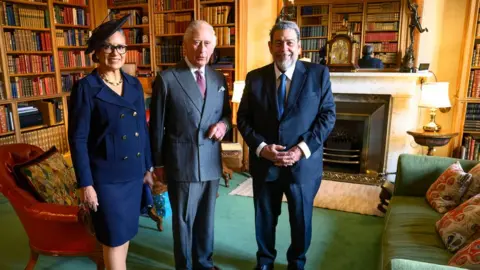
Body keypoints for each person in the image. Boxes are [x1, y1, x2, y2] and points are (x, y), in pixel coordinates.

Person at [237, 21, 336, 270]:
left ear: (299, 47)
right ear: (270, 46)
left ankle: (297, 263)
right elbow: (243, 119)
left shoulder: (318, 75)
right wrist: (261, 148)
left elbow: (328, 116)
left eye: (290, 42)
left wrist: (300, 149)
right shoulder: (255, 78)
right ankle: (265, 261)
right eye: (278, 42)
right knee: (265, 218)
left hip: (302, 167)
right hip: (265, 165)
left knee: (301, 220)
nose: (284, 48)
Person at [68, 14, 154, 270]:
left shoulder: (134, 84)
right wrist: (86, 184)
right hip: (105, 180)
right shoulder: (86, 88)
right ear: (96, 52)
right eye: (108, 46)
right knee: (114, 239)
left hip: (133, 174)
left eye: (120, 46)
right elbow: (78, 138)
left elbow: (142, 129)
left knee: (124, 235)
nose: (115, 52)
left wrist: (147, 168)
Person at [149, 20, 231, 270]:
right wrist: (158, 164)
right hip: (181, 162)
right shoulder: (166, 79)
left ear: (214, 46)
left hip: (211, 161)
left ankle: (204, 263)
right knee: (184, 221)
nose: (202, 49)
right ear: (184, 45)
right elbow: (156, 127)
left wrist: (224, 126)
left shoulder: (219, 79)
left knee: (206, 220)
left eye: (207, 44)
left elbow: (226, 114)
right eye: (196, 42)